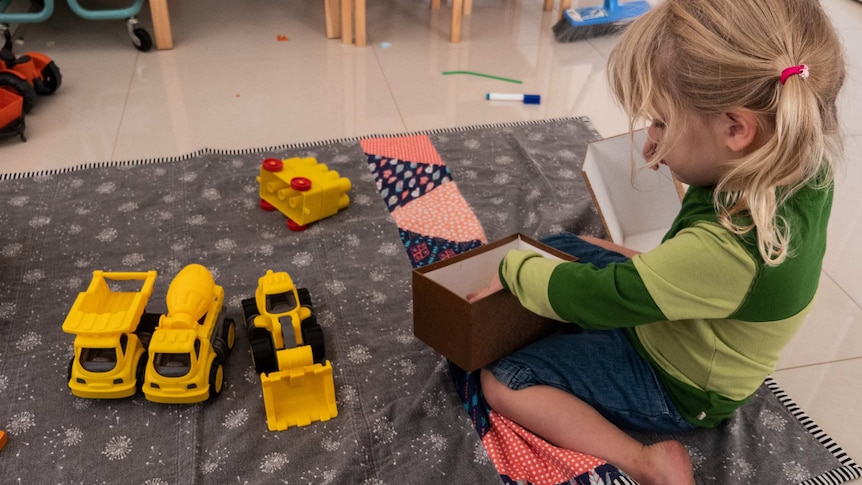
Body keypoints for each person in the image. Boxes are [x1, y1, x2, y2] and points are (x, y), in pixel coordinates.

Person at [467, 1, 846, 484]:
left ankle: (644, 462)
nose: (650, 140)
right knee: (567, 246)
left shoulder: (727, 247)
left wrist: (510, 272)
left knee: (503, 381)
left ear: (736, 129)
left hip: (680, 384)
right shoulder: (797, 161)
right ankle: (642, 279)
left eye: (662, 122)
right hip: (700, 313)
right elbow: (704, 258)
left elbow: (600, 299)